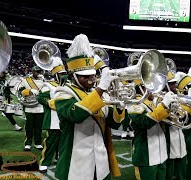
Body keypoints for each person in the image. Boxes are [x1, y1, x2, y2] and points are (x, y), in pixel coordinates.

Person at [53, 34, 125, 180]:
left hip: (101, 160)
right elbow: (76, 114)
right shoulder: (62, 92)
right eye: (84, 76)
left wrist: (120, 105)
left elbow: (115, 123)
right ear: (73, 75)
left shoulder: (97, 94)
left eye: (92, 75)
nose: (91, 80)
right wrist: (102, 88)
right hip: (76, 161)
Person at [38, 57, 67, 173]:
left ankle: (59, 158)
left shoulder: (68, 85)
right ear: (55, 75)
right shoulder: (48, 85)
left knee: (63, 142)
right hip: (53, 120)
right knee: (50, 143)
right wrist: (52, 103)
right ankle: (44, 162)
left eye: (64, 73)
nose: (63, 75)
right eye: (61, 74)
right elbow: (40, 98)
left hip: (65, 119)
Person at [20, 66, 45, 151]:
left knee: (39, 126)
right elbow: (20, 91)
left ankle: (38, 143)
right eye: (36, 71)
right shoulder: (26, 80)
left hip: (40, 106)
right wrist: (29, 91)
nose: (37, 73)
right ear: (32, 71)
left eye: (39, 71)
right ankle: (28, 143)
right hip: (29, 106)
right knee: (29, 126)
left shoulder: (43, 81)